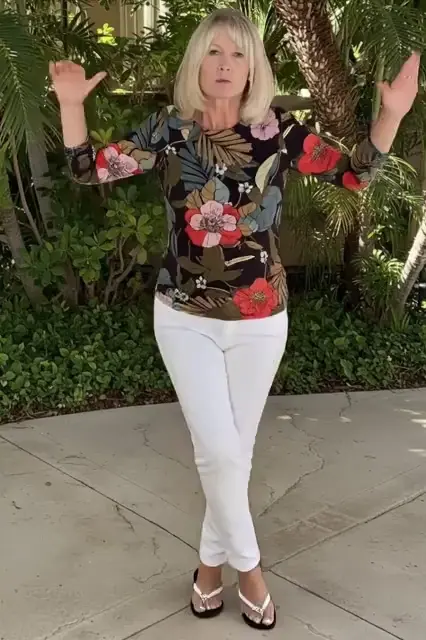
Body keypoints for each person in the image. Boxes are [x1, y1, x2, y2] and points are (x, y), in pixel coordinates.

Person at [50, 8, 419, 630]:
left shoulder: (278, 131)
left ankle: (207, 569)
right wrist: (70, 105)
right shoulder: (169, 129)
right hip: (184, 316)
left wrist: (392, 115)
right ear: (197, 62)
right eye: (215, 52)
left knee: (232, 455)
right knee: (219, 452)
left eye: (239, 54)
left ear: (253, 68)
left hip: (260, 319)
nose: (225, 64)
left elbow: (355, 175)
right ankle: (250, 571)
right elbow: (90, 168)